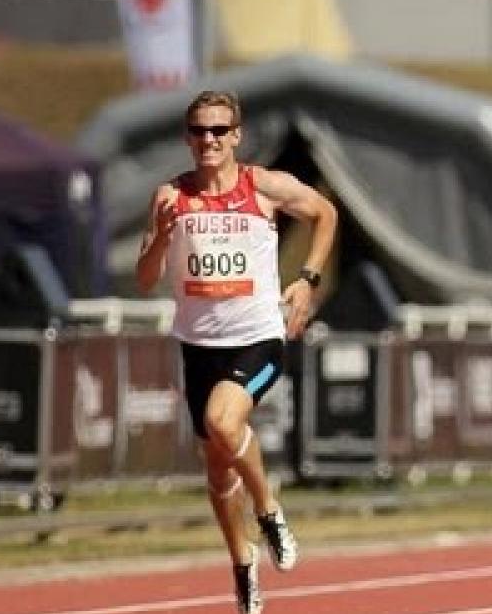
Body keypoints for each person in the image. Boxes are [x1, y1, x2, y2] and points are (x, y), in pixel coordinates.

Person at [136, 90, 338, 613]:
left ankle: (269, 510)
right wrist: (160, 236)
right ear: (188, 137)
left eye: (219, 131)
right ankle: (243, 564)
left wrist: (308, 280)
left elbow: (325, 213)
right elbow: (143, 279)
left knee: (225, 421)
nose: (209, 140)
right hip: (199, 345)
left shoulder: (262, 187)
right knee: (218, 474)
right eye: (200, 131)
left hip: (258, 338)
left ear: (237, 136)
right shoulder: (170, 196)